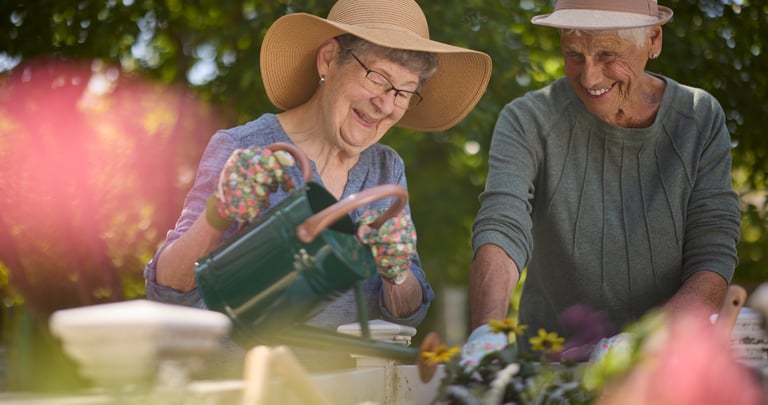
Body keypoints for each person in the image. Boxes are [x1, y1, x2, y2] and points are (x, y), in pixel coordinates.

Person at [144, 0, 492, 373]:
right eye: (377, 77)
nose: (385, 104)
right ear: (328, 60)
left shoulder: (386, 168)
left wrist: (397, 272)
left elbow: (406, 314)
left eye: (403, 92)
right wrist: (219, 212)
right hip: (248, 385)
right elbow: (167, 292)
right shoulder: (243, 147)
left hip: (347, 389)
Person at [465, 0, 740, 363]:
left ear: (653, 40)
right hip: (551, 366)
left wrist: (642, 346)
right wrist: (487, 333)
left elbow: (712, 252)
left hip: (665, 367)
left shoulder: (698, 117)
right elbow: (502, 225)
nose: (590, 77)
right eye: (573, 54)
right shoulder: (528, 119)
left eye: (608, 54)